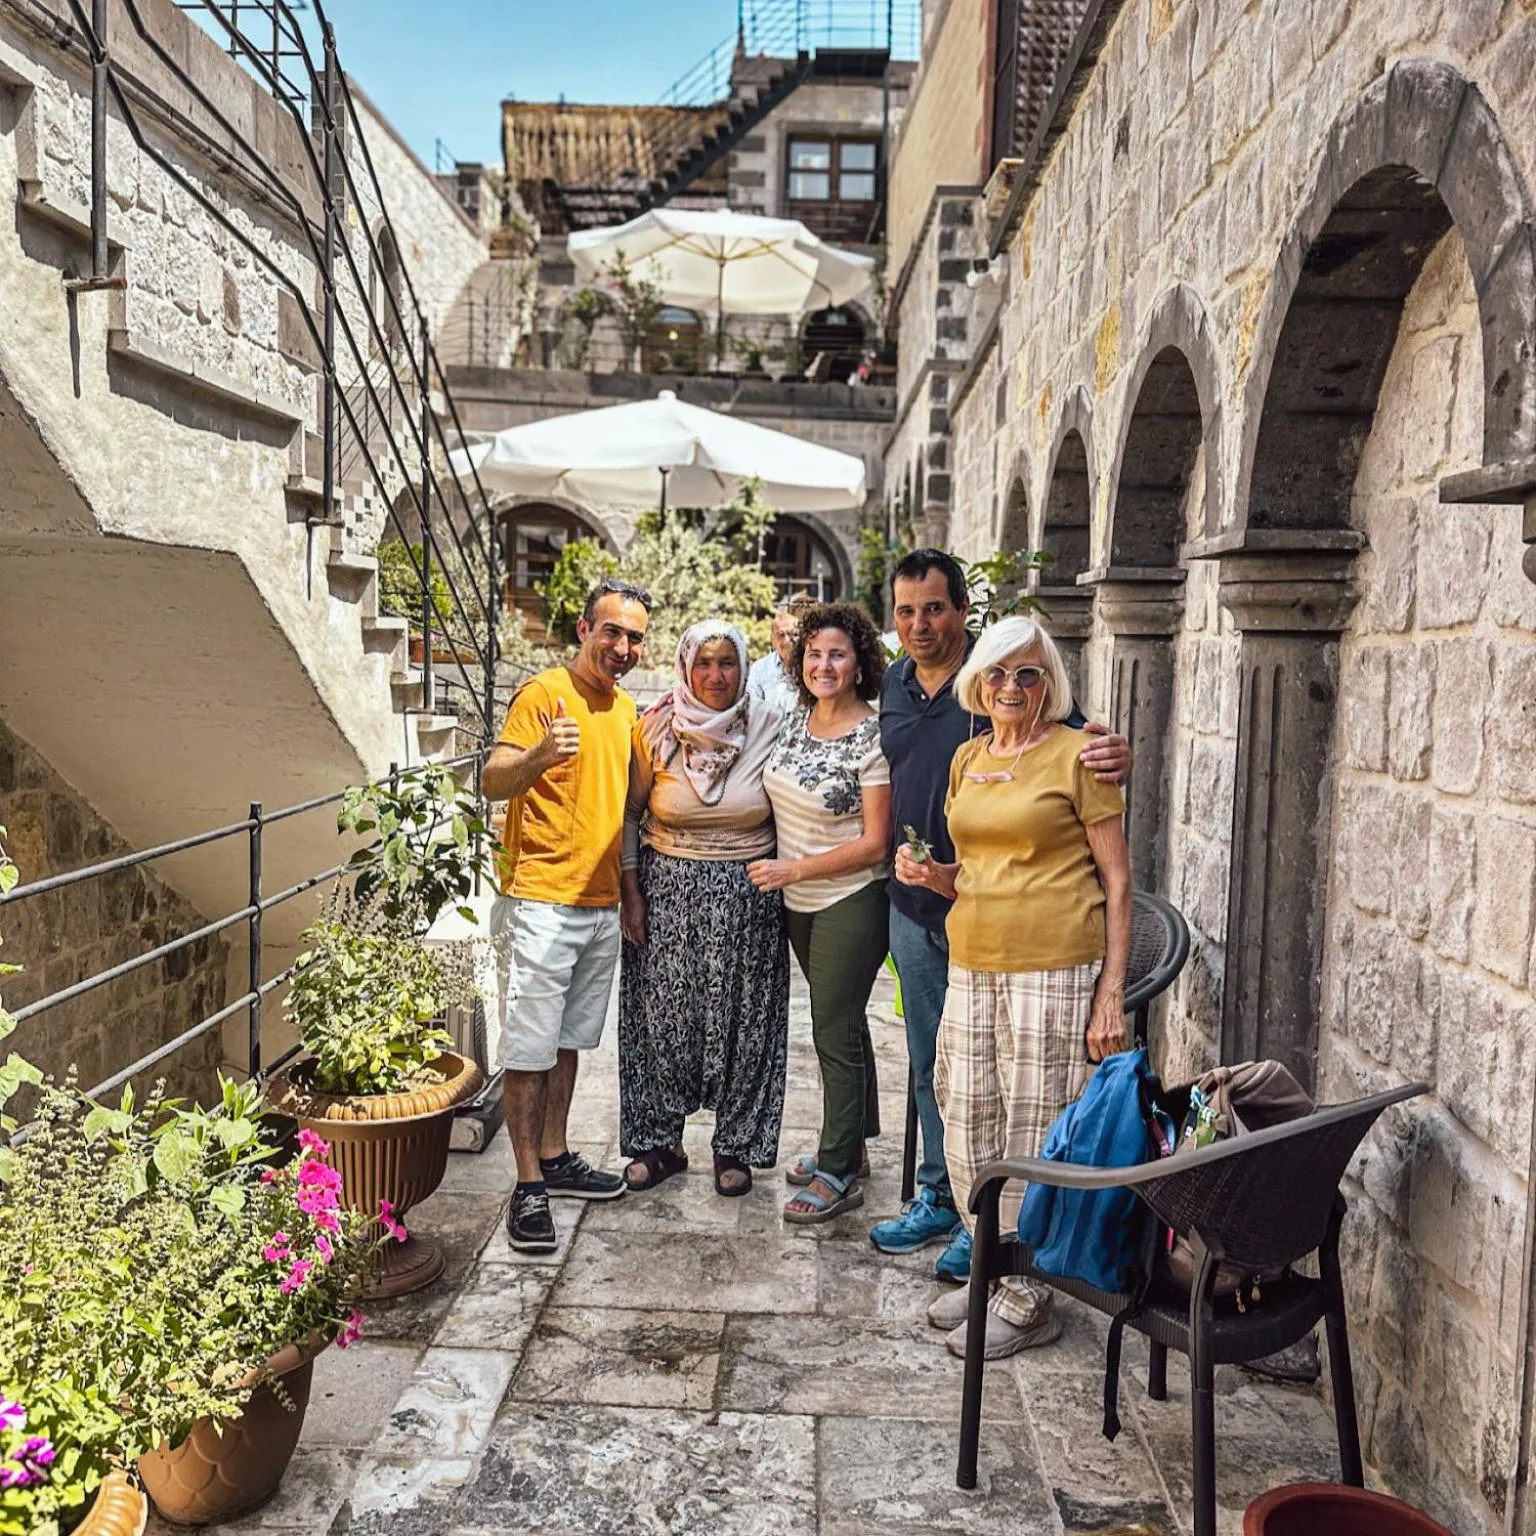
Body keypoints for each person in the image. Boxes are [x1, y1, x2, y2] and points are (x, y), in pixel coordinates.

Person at [871, 550, 1130, 1282]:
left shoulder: (1076, 750)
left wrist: (1109, 991)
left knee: (1034, 1121)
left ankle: (1019, 1283)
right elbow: (972, 870)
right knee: (958, 1097)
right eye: (998, 675)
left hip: (1051, 961)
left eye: (1026, 673)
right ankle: (976, 1239)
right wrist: (933, 873)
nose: (1011, 685)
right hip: (956, 941)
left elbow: (1116, 873)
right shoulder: (950, 735)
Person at [482, 578, 653, 1254]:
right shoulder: (544, 694)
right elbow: (493, 779)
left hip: (598, 901)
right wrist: (538, 757)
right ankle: (527, 1183)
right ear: (584, 629)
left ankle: (554, 1154)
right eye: (612, 631)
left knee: (568, 1040)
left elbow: (636, 795)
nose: (622, 646)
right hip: (541, 900)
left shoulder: (628, 711)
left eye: (635, 637)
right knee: (528, 1048)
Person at [618, 620, 790, 1196]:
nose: (715, 676)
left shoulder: (771, 725)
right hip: (667, 889)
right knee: (661, 1020)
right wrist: (631, 891)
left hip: (749, 895)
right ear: (685, 667)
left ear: (745, 667)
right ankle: (659, 1142)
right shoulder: (658, 728)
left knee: (746, 1022)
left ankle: (735, 1146)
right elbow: (631, 813)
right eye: (704, 663)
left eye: (728, 663)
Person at [751, 602, 892, 1225]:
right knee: (846, 1021)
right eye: (813, 653)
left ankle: (837, 1171)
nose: (824, 664)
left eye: (837, 653)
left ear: (859, 660)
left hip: (850, 897)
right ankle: (855, 1144)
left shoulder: (874, 734)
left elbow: (876, 842)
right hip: (799, 903)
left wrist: (793, 871)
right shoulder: (792, 722)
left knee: (831, 1031)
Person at [746, 594, 813, 712]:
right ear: (772, 639)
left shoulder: (811, 664)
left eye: (793, 634)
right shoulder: (760, 669)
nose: (787, 640)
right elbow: (752, 709)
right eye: (781, 635)